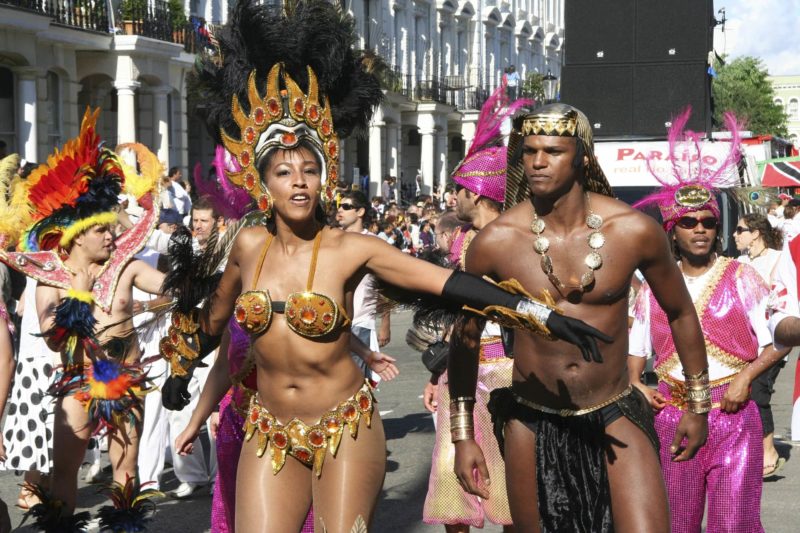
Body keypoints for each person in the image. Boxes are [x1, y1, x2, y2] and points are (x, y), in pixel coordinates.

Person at [160, 3, 607, 531]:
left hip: (343, 428)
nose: (299, 181)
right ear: (264, 183)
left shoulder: (352, 249)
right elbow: (213, 320)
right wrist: (180, 372)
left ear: (325, 177)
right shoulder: (248, 246)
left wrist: (540, 313)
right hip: (268, 428)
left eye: (310, 169)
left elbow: (449, 283)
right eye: (284, 171)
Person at [449, 103, 711, 532]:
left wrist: (698, 405)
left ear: (583, 157)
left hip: (613, 408)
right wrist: (463, 435)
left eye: (552, 150)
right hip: (532, 417)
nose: (537, 161)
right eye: (529, 150)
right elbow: (466, 337)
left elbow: (680, 311)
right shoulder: (495, 242)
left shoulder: (632, 229)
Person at [0, 110, 165, 529]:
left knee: (126, 464)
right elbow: (56, 338)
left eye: (112, 230)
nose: (111, 237)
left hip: (124, 378)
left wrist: (198, 279)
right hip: (77, 380)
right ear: (78, 236)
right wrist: (77, 291)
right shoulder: (50, 280)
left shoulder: (126, 267)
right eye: (102, 231)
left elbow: (168, 286)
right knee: (64, 470)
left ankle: (126, 525)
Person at [628, 109, 785, 532]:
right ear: (671, 229)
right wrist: (638, 386)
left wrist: (745, 377)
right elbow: (635, 353)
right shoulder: (654, 288)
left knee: (733, 523)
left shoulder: (743, 278)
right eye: (689, 222)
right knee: (677, 522)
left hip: (734, 415)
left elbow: (778, 340)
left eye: (709, 222)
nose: (700, 230)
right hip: (671, 415)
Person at [423, 84, 531, 532]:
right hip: (463, 379)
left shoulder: (517, 244)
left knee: (512, 492)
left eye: (460, 190)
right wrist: (438, 375)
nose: (454, 199)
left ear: (480, 193)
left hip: (510, 375)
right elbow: (459, 325)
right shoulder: (462, 244)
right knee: (453, 484)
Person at [733, 212, 789, 476]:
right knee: (745, 394)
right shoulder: (737, 262)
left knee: (758, 394)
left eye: (740, 230)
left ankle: (770, 451)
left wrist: (756, 283)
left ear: (755, 233)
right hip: (743, 341)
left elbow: (782, 294)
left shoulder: (778, 258)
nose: (735, 235)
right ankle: (751, 450)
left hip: (772, 341)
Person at [336, 190, 394, 373]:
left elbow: (385, 286)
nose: (340, 210)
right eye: (338, 206)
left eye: (346, 207)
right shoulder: (331, 240)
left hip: (361, 322)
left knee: (358, 384)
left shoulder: (373, 243)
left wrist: (385, 323)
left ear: (360, 212)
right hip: (335, 323)